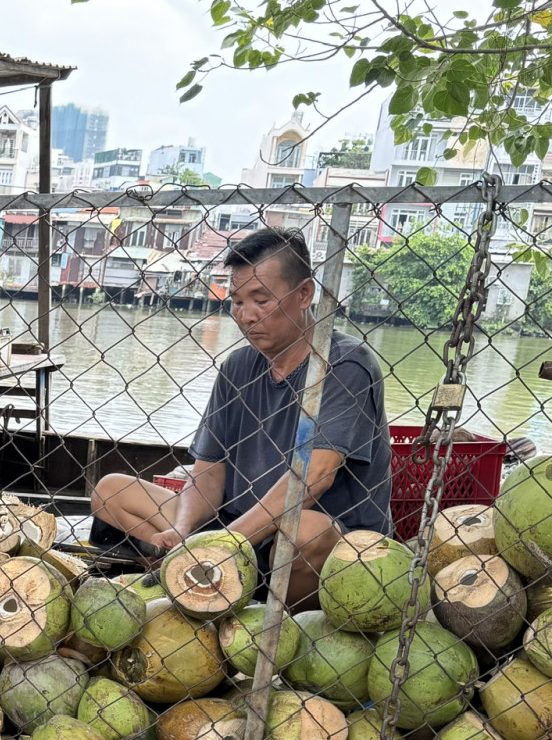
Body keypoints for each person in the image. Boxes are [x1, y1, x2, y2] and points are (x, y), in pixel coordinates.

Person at [91, 227, 391, 606]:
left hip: (325, 540)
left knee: (303, 534)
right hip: (238, 521)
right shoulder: (238, 365)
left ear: (304, 294)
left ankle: (272, 615)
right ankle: (204, 577)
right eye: (236, 301)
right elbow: (209, 471)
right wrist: (182, 530)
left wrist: (225, 543)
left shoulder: (346, 364)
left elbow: (314, 476)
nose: (246, 316)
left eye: (261, 300)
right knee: (111, 491)